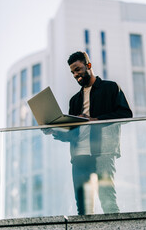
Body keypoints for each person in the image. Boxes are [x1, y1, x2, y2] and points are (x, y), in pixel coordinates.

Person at [44, 51, 133, 215]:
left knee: (108, 203)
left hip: (103, 152)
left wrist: (95, 120)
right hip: (79, 157)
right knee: (83, 210)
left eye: (77, 69)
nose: (75, 74)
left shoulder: (110, 87)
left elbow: (126, 114)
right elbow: (72, 135)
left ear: (88, 65)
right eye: (72, 72)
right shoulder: (74, 100)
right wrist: (54, 131)